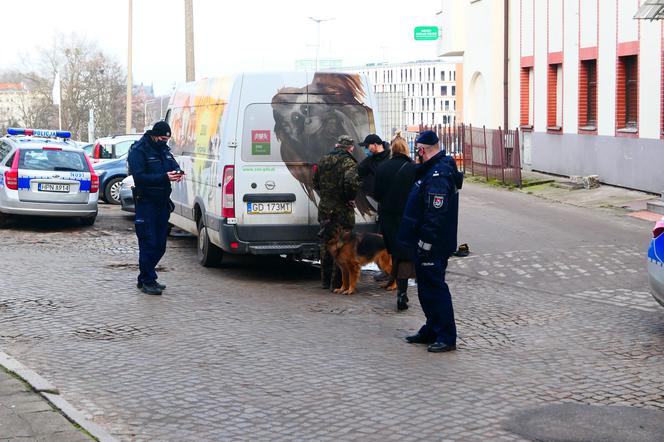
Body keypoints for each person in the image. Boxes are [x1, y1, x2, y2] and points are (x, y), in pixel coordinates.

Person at [397, 130, 464, 353]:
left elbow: (435, 214)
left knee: (435, 289)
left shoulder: (438, 174)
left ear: (422, 150)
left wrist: (425, 243)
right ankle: (432, 328)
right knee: (425, 289)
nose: (416, 154)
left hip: (432, 245)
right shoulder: (430, 171)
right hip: (425, 244)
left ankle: (446, 335)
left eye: (418, 150)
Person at [127, 121, 184, 296]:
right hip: (146, 203)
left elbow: (173, 165)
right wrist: (164, 177)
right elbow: (140, 176)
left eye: (167, 139)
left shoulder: (164, 150)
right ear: (153, 135)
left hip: (162, 202)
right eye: (162, 138)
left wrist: (177, 173)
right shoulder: (139, 150)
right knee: (148, 242)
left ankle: (145, 276)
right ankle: (147, 280)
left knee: (160, 245)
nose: (164, 141)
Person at [373, 132, 416, 311]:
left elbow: (376, 195)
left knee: (394, 251)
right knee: (405, 254)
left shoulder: (382, 167)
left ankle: (394, 282)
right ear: (406, 149)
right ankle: (402, 292)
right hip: (407, 216)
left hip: (388, 216)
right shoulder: (413, 168)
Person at [313, 135, 360, 290]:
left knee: (326, 243)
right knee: (343, 245)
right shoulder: (349, 162)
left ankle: (325, 281)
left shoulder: (323, 160)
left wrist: (326, 196)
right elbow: (351, 183)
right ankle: (338, 283)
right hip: (342, 210)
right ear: (350, 148)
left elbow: (315, 183)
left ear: (336, 145)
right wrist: (350, 198)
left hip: (325, 208)